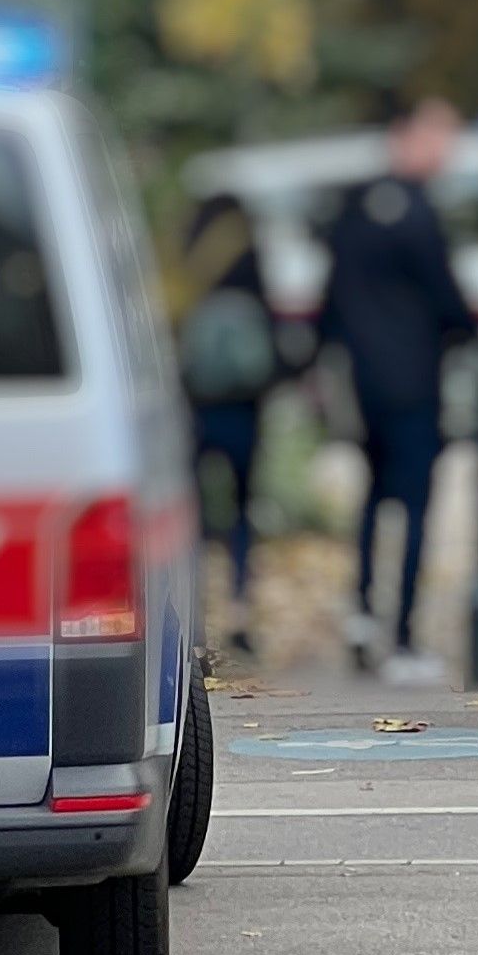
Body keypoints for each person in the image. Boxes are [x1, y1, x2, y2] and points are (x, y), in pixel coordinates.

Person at [319, 93, 478, 683]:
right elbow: (447, 299)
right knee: (413, 505)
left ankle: (362, 611)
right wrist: (470, 331)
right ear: (407, 136)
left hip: (363, 381)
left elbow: (329, 297)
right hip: (413, 382)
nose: (447, 152)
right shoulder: (417, 211)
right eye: (441, 137)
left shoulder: (356, 204)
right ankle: (405, 638)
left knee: (372, 494)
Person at [173, 191, 286, 660]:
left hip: (197, 403)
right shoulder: (248, 251)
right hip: (244, 403)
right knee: (242, 508)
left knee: (192, 515)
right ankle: (240, 612)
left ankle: (193, 618)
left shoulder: (186, 253)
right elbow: (270, 323)